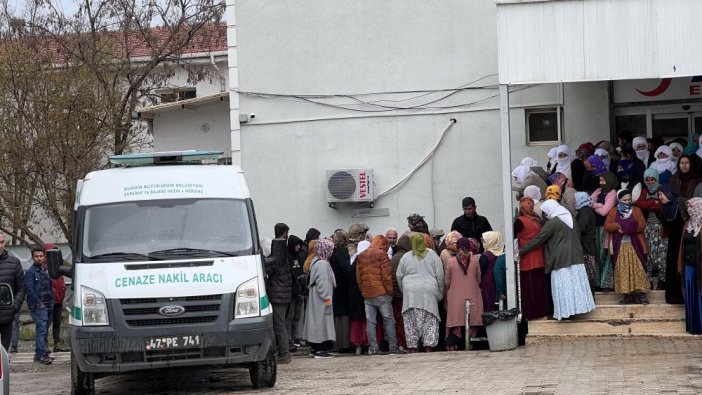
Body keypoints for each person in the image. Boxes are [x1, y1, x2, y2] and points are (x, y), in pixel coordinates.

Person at [519, 200, 596, 320]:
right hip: (576, 257)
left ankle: (565, 313)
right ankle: (576, 311)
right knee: (575, 287)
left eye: (544, 213)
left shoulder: (554, 222)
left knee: (564, 288)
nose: (544, 216)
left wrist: (521, 251)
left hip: (561, 259)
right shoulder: (571, 220)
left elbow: (539, 239)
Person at [356, 235, 405, 355]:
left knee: (371, 322)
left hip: (367, 294)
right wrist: (389, 292)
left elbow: (359, 278)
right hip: (382, 294)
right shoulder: (382, 254)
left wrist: (363, 291)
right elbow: (386, 276)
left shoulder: (361, 255)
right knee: (389, 320)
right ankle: (393, 347)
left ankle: (373, 348)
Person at [396, 234, 444, 353]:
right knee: (430, 321)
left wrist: (404, 291)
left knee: (410, 322)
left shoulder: (406, 257)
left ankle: (413, 349)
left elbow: (398, 275)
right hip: (429, 293)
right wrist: (440, 293)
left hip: (410, 294)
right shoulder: (433, 255)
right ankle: (429, 348)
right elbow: (440, 275)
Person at [605, 189, 651, 304]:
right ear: (619, 200)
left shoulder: (636, 210)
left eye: (629, 199)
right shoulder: (613, 211)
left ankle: (641, 294)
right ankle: (628, 295)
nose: (627, 202)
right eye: (624, 200)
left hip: (635, 246)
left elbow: (642, 224)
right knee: (623, 269)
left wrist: (630, 227)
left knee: (638, 267)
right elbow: (607, 226)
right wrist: (617, 226)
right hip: (620, 247)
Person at [636, 169, 677, 290]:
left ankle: (662, 281)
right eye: (647, 180)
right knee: (648, 254)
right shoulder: (644, 190)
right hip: (647, 229)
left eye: (652, 179)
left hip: (661, 228)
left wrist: (650, 203)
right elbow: (640, 203)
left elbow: (661, 205)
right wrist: (653, 202)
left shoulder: (662, 189)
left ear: (656, 179)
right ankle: (647, 281)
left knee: (662, 255)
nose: (649, 182)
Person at [668, 155, 699, 304]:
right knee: (676, 256)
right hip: (676, 224)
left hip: (694, 223)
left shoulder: (697, 180)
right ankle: (675, 295)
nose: (684, 165)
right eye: (682, 163)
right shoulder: (674, 179)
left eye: (687, 163)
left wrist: (681, 202)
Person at [514, 197, 551, 320]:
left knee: (532, 289)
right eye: (529, 204)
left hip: (531, 259)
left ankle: (534, 314)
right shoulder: (534, 220)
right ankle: (539, 313)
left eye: (531, 204)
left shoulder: (524, 221)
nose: (531, 206)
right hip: (535, 258)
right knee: (537, 288)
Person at [444, 238, 483, 350]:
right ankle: (471, 344)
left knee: (455, 319)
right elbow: (479, 280)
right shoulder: (475, 261)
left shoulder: (451, 262)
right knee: (472, 319)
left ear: (457, 247)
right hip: (472, 296)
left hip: (456, 298)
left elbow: (447, 282)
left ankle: (454, 346)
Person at [303, 238, 337, 358]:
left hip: (316, 299)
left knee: (316, 323)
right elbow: (322, 285)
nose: (332, 252)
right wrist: (327, 298)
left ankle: (315, 348)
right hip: (321, 300)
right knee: (321, 323)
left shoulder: (317, 261)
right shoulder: (323, 264)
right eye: (330, 249)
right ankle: (319, 349)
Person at [267, 225, 292, 364]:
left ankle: (284, 354)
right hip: (284, 294)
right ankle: (283, 352)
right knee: (281, 324)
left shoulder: (277, 255)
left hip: (278, 295)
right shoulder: (283, 252)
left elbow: (267, 268)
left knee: (279, 325)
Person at [678, 197, 702, 334]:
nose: (689, 210)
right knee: (690, 295)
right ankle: (693, 326)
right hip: (688, 266)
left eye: (691, 207)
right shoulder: (687, 225)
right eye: (688, 207)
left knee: (700, 295)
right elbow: (682, 246)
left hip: (700, 266)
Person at [591, 172, 619, 290]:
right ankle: (598, 282)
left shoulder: (612, 193)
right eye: (600, 180)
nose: (601, 183)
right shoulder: (598, 191)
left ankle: (606, 283)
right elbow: (588, 202)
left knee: (605, 254)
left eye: (603, 181)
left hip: (605, 228)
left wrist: (593, 205)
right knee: (597, 254)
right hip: (595, 227)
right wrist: (598, 205)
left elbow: (604, 212)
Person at [25, 247, 54, 364]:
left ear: (44, 257)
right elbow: (30, 290)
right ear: (33, 258)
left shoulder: (45, 270)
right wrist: (39, 304)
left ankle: (41, 353)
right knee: (41, 330)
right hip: (38, 306)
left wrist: (52, 301)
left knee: (45, 330)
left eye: (41, 256)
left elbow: (50, 286)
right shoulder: (30, 272)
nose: (39, 258)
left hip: (49, 304)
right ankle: (41, 354)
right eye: (36, 256)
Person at [0, 233, 26, 353]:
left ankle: (3, 369)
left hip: (7, 313)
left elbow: (21, 287)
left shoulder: (14, 262)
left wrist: (15, 306)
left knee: (5, 349)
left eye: (1, 242)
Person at [329, 230, 351, 351]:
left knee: (338, 314)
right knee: (343, 315)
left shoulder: (333, 252)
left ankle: (338, 342)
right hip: (342, 287)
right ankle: (344, 343)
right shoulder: (342, 252)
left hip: (336, 287)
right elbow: (346, 270)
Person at [348, 240, 371, 355]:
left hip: (354, 296)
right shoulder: (368, 260)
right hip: (365, 294)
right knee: (366, 320)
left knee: (356, 321)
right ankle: (367, 343)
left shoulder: (353, 260)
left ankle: (357, 345)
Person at [389, 234, 411, 351]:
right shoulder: (408, 258)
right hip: (404, 294)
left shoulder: (394, 257)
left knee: (396, 320)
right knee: (405, 320)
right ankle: (405, 343)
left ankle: (399, 343)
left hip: (393, 294)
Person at [45, 244, 68, 352]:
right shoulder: (45, 267)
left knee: (57, 323)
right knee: (46, 323)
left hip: (59, 300)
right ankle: (44, 344)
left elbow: (61, 282)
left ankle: (57, 344)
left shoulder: (58, 266)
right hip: (49, 300)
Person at [575, 192, 598, 291]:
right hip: (589, 245)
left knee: (588, 274)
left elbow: (580, 228)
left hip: (586, 247)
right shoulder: (588, 210)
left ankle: (590, 297)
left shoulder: (584, 212)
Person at [286, 235, 305, 351]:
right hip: (292, 292)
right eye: (297, 245)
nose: (299, 247)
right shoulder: (288, 257)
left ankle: (295, 337)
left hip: (300, 292)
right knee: (290, 316)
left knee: (297, 316)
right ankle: (288, 339)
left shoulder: (299, 257)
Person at [479, 231, 505, 313]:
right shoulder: (502, 255)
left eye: (484, 240)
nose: (482, 242)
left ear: (491, 241)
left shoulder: (486, 256)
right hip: (499, 285)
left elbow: (480, 272)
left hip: (487, 286)